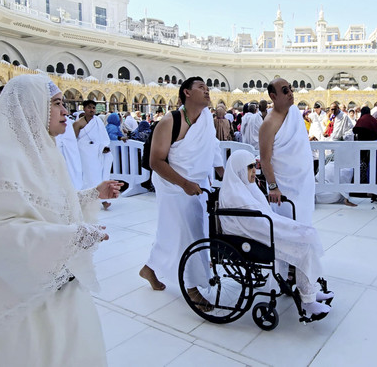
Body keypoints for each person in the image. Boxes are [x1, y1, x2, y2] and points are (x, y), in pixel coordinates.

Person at [0, 74, 122, 366]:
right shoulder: (0, 156)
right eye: (57, 104)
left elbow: (45, 204)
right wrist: (69, 238)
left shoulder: (44, 151)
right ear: (32, 107)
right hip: (20, 304)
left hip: (59, 289)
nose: (66, 112)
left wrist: (89, 196)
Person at [140, 77, 224, 307]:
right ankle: (192, 288)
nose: (207, 91)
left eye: (208, 87)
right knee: (189, 235)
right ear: (187, 93)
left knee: (179, 233)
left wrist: (224, 174)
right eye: (201, 87)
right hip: (172, 185)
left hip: (198, 185)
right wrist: (183, 184)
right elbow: (155, 161)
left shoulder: (206, 118)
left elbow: (213, 146)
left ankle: (149, 268)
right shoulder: (169, 121)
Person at [219, 150, 333, 317]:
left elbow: (262, 216)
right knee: (303, 246)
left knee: (305, 236)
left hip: (262, 228)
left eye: (254, 166)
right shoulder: (233, 194)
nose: (254, 171)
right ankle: (308, 300)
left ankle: (311, 291)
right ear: (238, 169)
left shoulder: (248, 187)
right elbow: (252, 223)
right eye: (250, 167)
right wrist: (281, 229)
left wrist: (282, 227)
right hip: (251, 236)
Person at [259, 78, 315, 225]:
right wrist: (273, 187)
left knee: (304, 222)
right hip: (283, 187)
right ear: (273, 96)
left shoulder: (295, 112)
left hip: (303, 182)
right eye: (285, 90)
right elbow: (265, 160)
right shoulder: (269, 124)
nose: (290, 93)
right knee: (286, 226)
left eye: (290, 88)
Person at [74, 100, 113, 210]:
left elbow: (103, 136)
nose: (91, 110)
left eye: (93, 108)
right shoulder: (78, 124)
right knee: (89, 177)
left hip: (97, 152)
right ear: (84, 109)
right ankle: (94, 200)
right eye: (89, 107)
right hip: (84, 153)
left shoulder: (98, 122)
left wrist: (104, 146)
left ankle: (103, 199)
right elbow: (74, 140)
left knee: (99, 175)